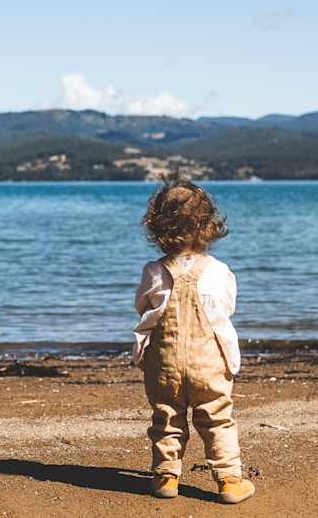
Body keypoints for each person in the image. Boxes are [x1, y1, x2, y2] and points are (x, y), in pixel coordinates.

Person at [133, 177, 254, 504]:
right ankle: (229, 480)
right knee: (217, 419)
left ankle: (166, 477)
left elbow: (143, 306)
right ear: (208, 226)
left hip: (165, 363)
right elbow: (226, 309)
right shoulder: (219, 271)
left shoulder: (154, 271)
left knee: (167, 416)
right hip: (208, 362)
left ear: (157, 229)